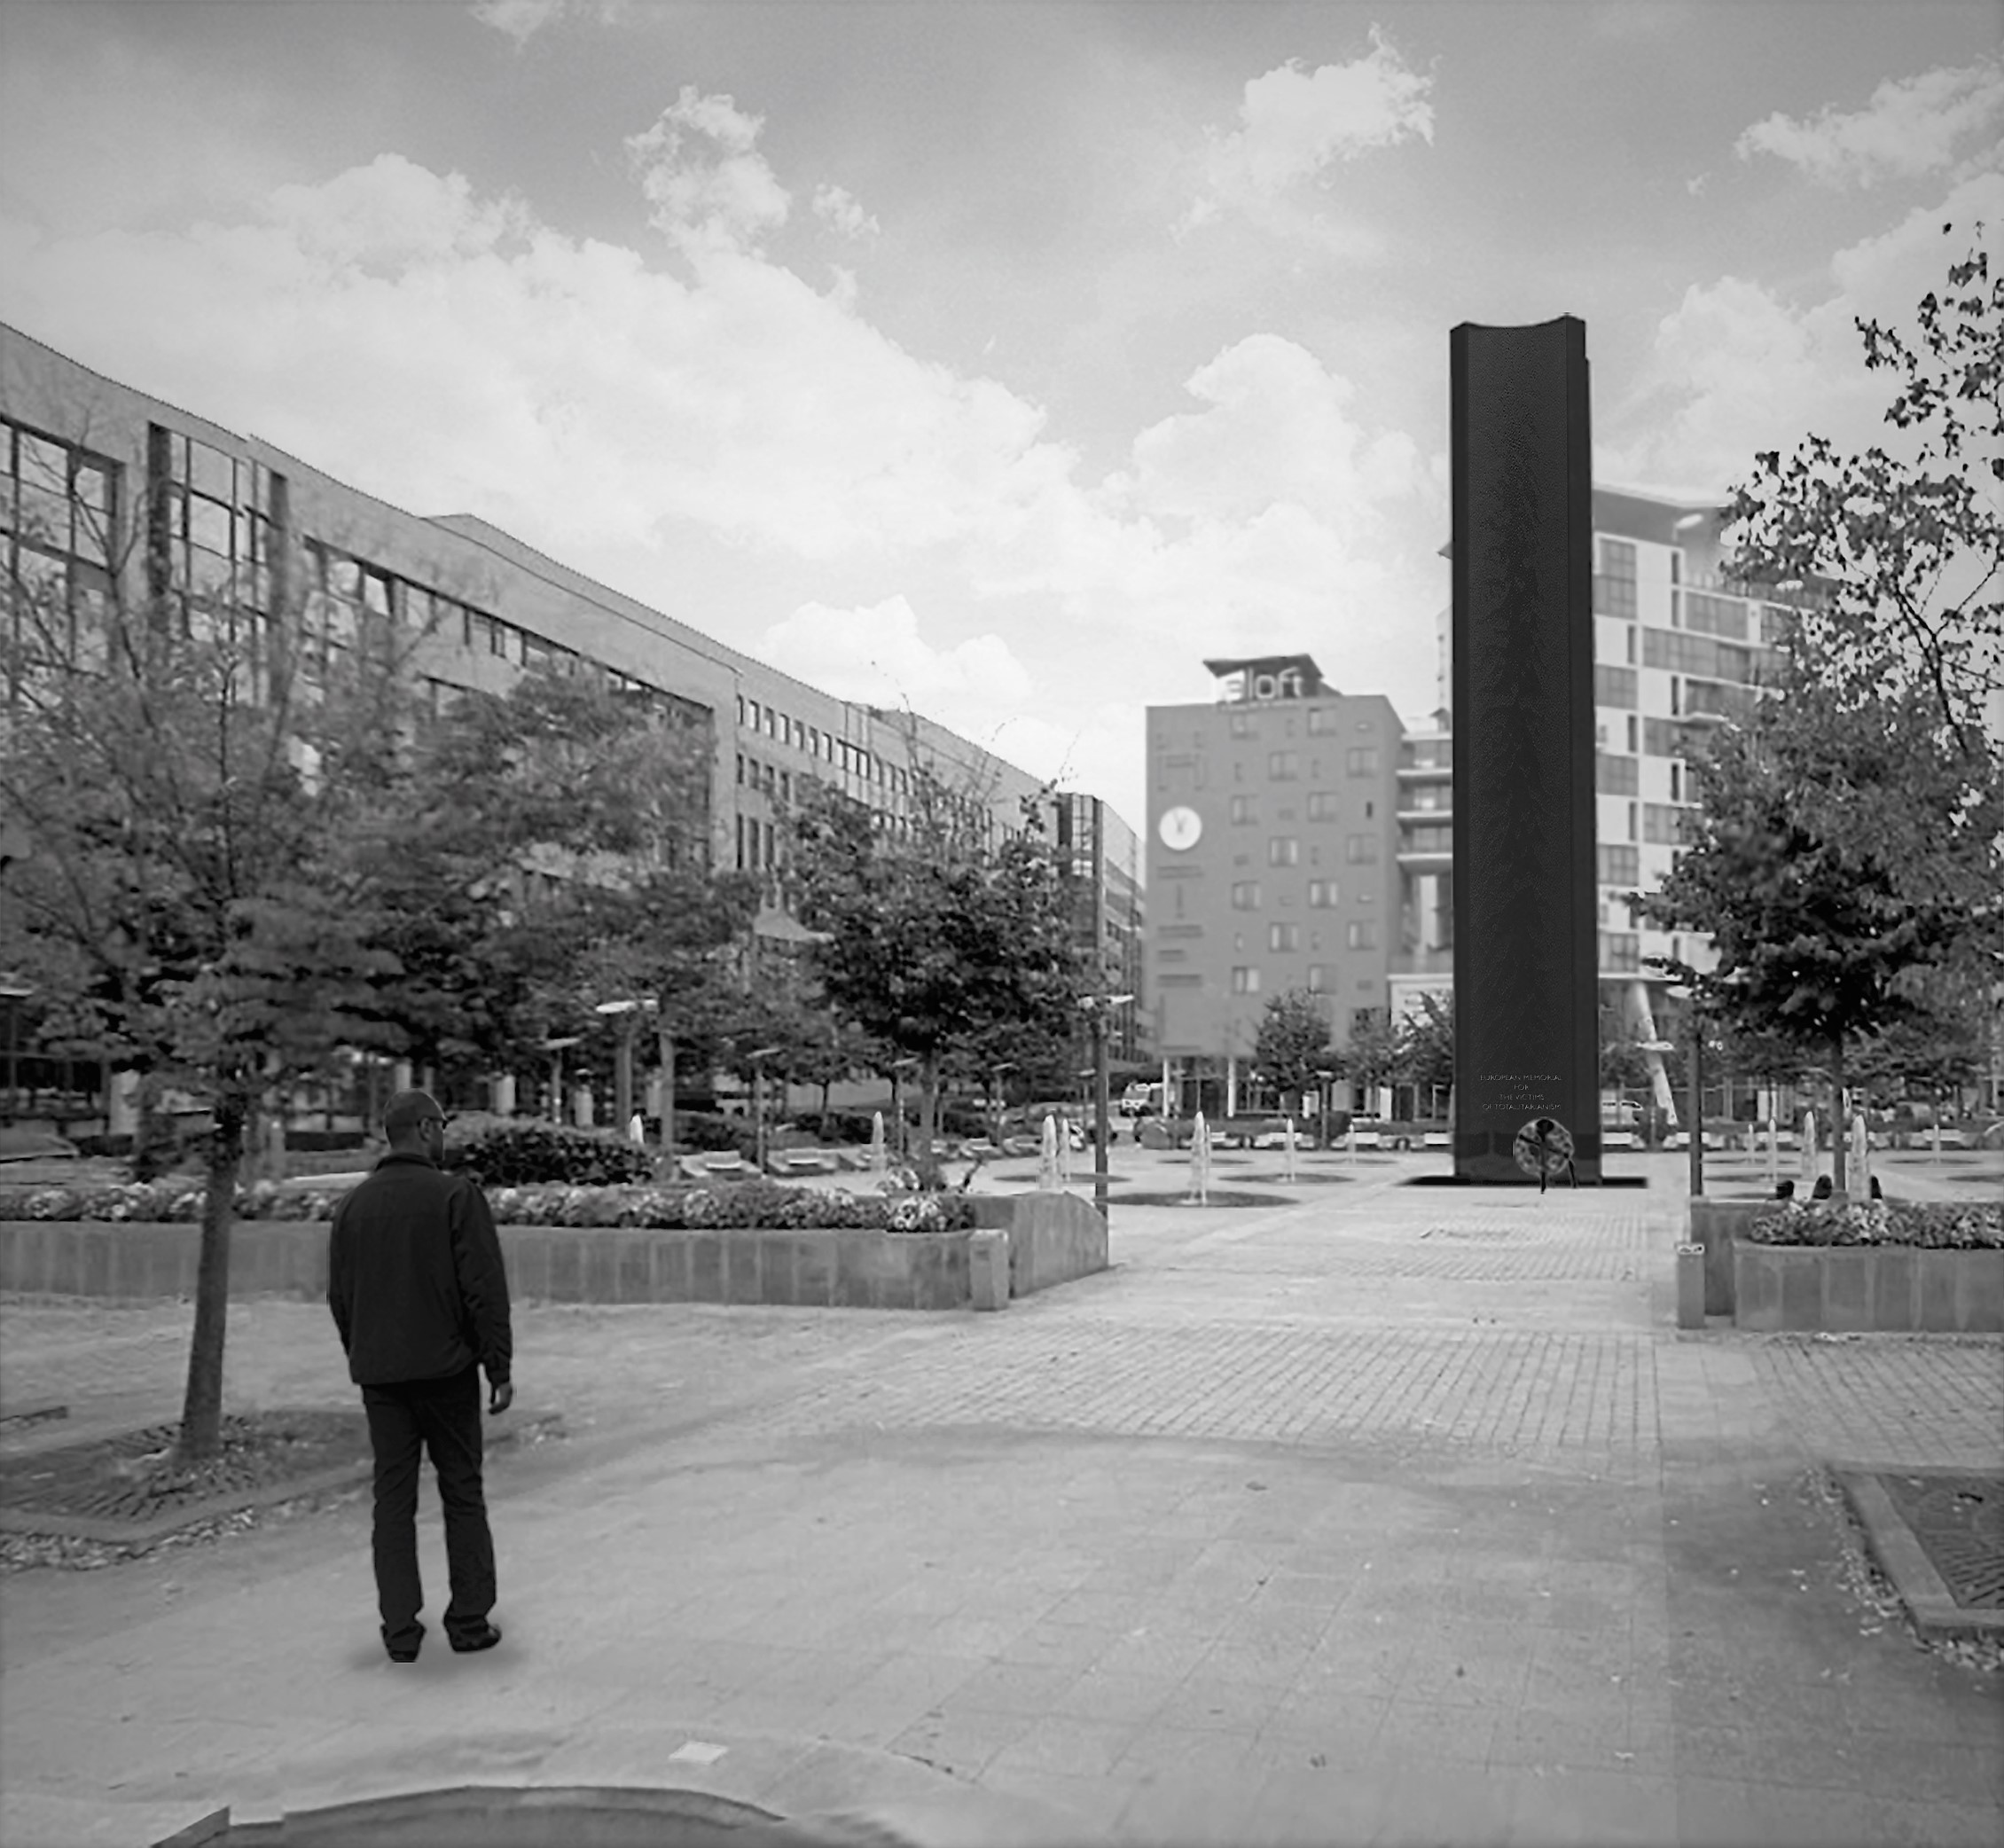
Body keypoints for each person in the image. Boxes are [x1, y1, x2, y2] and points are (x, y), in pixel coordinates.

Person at [329, 1090, 513, 1664]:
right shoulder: (456, 1196)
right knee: (461, 1491)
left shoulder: (353, 1207)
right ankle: (469, 1621)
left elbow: (341, 1296)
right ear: (428, 1129)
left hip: (381, 1377)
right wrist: (497, 1366)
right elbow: (483, 1289)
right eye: (443, 1128)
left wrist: (362, 1352)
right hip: (447, 1371)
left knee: (393, 1499)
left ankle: (401, 1631)